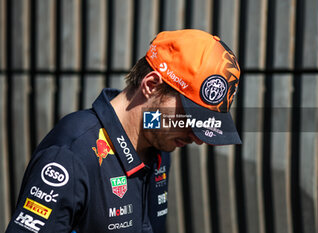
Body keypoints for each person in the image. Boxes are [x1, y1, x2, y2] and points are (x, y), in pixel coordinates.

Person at [5, 29, 241, 233]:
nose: (196, 136)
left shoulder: (159, 147)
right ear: (151, 85)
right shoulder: (72, 153)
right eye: (190, 117)